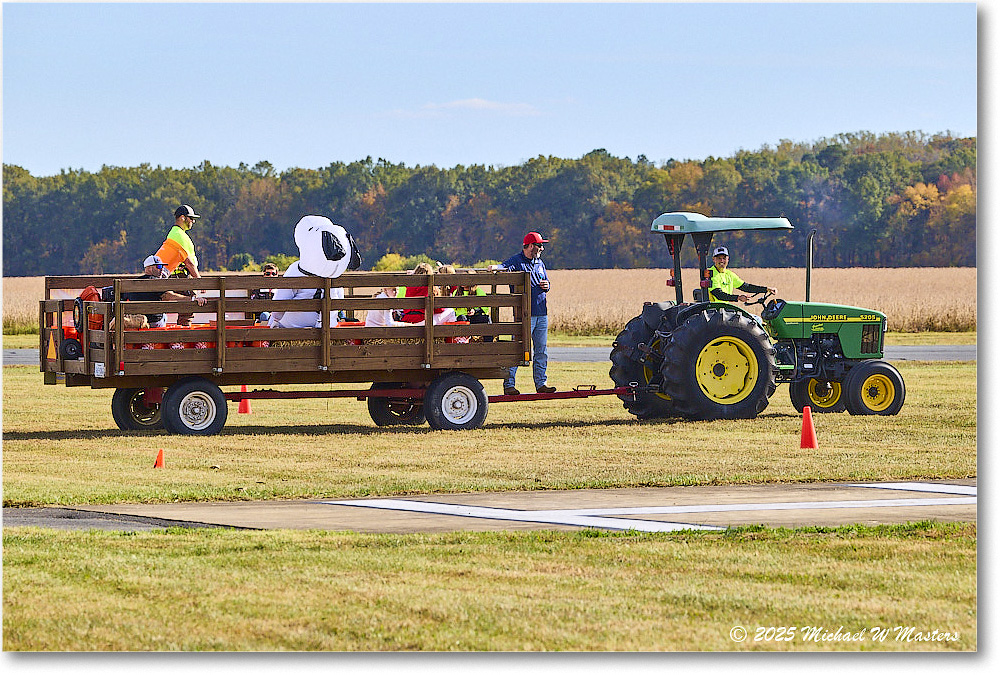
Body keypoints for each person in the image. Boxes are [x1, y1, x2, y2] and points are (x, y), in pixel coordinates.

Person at [497, 232, 555, 395]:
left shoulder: (540, 262)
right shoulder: (516, 261)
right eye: (539, 245)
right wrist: (494, 268)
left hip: (542, 314)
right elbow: (502, 268)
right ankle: (509, 385)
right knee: (517, 349)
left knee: (541, 350)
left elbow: (547, 281)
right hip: (524, 315)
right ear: (530, 246)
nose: (542, 248)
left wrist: (547, 285)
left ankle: (541, 384)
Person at [123, 255, 207, 328]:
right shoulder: (157, 282)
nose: (162, 269)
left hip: (138, 321)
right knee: (164, 317)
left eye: (162, 266)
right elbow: (169, 296)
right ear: (149, 268)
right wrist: (192, 299)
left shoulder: (133, 283)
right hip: (154, 322)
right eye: (159, 266)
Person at [707, 246, 776, 304]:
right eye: (719, 258)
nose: (722, 261)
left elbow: (746, 287)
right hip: (713, 310)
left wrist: (766, 289)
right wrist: (738, 298)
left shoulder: (729, 274)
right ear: (714, 259)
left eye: (724, 258)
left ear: (728, 259)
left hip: (724, 309)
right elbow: (719, 295)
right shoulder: (711, 273)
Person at [153, 205, 203, 278]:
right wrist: (200, 282)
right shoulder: (179, 235)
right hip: (180, 278)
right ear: (182, 217)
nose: (193, 221)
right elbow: (188, 263)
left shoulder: (176, 233)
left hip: (180, 277)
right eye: (191, 218)